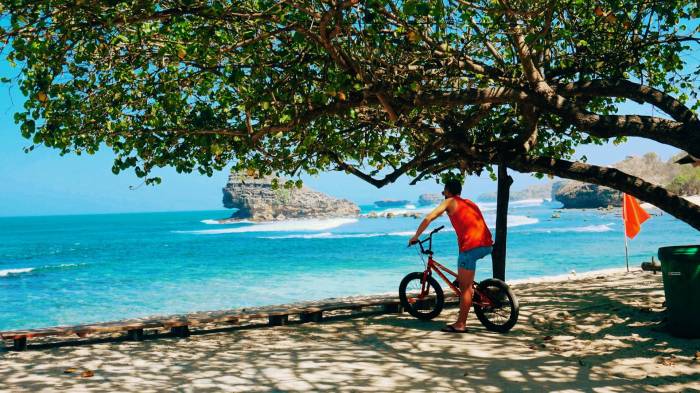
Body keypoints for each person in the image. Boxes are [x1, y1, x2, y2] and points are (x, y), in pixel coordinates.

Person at [408, 179, 493, 333]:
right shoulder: (469, 203)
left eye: (444, 192)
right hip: (487, 245)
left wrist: (416, 236)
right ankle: (467, 286)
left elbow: (429, 218)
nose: (443, 195)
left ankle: (460, 324)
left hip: (472, 248)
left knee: (465, 288)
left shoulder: (449, 202)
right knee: (463, 266)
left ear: (447, 191)